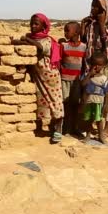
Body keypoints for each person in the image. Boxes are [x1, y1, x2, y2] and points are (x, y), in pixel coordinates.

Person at [21, 13, 65, 144]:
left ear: (43, 26)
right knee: (41, 102)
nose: (33, 26)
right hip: (39, 75)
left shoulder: (46, 40)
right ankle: (42, 126)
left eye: (36, 24)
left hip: (50, 76)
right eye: (31, 23)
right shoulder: (32, 38)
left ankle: (58, 129)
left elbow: (40, 48)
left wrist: (26, 39)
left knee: (55, 101)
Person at [81, 0, 108, 135]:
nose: (93, 9)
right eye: (92, 6)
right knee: (91, 93)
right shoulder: (92, 23)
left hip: (106, 63)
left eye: (96, 7)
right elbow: (85, 42)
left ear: (104, 9)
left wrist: (102, 26)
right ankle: (91, 122)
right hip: (92, 63)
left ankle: (107, 125)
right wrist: (83, 25)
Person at [60, 22, 86, 136]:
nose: (65, 33)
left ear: (76, 32)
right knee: (65, 104)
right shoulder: (64, 46)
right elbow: (59, 61)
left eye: (67, 30)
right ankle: (65, 128)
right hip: (65, 80)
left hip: (77, 81)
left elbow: (84, 64)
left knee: (75, 104)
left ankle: (74, 127)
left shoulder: (84, 47)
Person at [80, 52, 108, 144]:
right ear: (91, 64)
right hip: (88, 102)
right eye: (94, 64)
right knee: (88, 119)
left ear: (104, 66)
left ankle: (101, 136)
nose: (96, 67)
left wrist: (106, 105)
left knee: (99, 120)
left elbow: (107, 93)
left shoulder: (104, 78)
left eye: (99, 65)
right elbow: (83, 84)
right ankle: (88, 135)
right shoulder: (87, 76)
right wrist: (90, 74)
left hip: (98, 103)